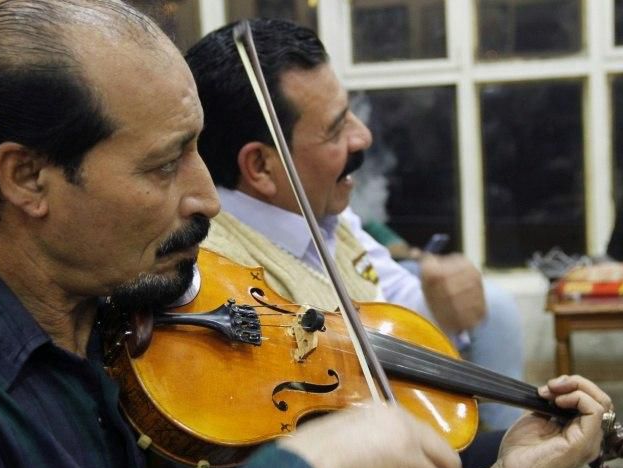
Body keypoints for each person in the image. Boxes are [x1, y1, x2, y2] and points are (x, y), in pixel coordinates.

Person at [0, 2, 612, 468]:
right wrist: (309, 467)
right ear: (27, 179)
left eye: (197, 148)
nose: (207, 198)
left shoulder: (131, 327)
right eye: (163, 164)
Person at [185, 19, 523, 431]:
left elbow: (392, 306)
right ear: (261, 167)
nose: (363, 137)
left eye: (349, 116)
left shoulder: (326, 213)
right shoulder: (214, 271)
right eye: (335, 130)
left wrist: (440, 304)